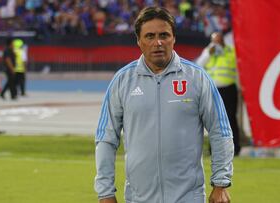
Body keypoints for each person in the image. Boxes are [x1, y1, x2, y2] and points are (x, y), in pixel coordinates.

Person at [95, 7, 234, 203]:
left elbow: (221, 132)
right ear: (139, 41)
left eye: (164, 35)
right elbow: (106, 139)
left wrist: (221, 183)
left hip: (188, 198)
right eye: (150, 36)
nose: (157, 42)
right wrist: (105, 192)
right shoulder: (122, 80)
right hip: (139, 198)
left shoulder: (197, 78)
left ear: (173, 38)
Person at [196, 32, 241, 156]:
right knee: (214, 120)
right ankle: (214, 150)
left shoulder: (231, 51)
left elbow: (238, 67)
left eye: (219, 40)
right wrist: (209, 52)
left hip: (229, 88)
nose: (217, 42)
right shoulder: (209, 51)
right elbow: (199, 65)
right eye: (214, 40)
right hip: (214, 90)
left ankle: (235, 148)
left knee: (231, 119)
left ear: (223, 40)